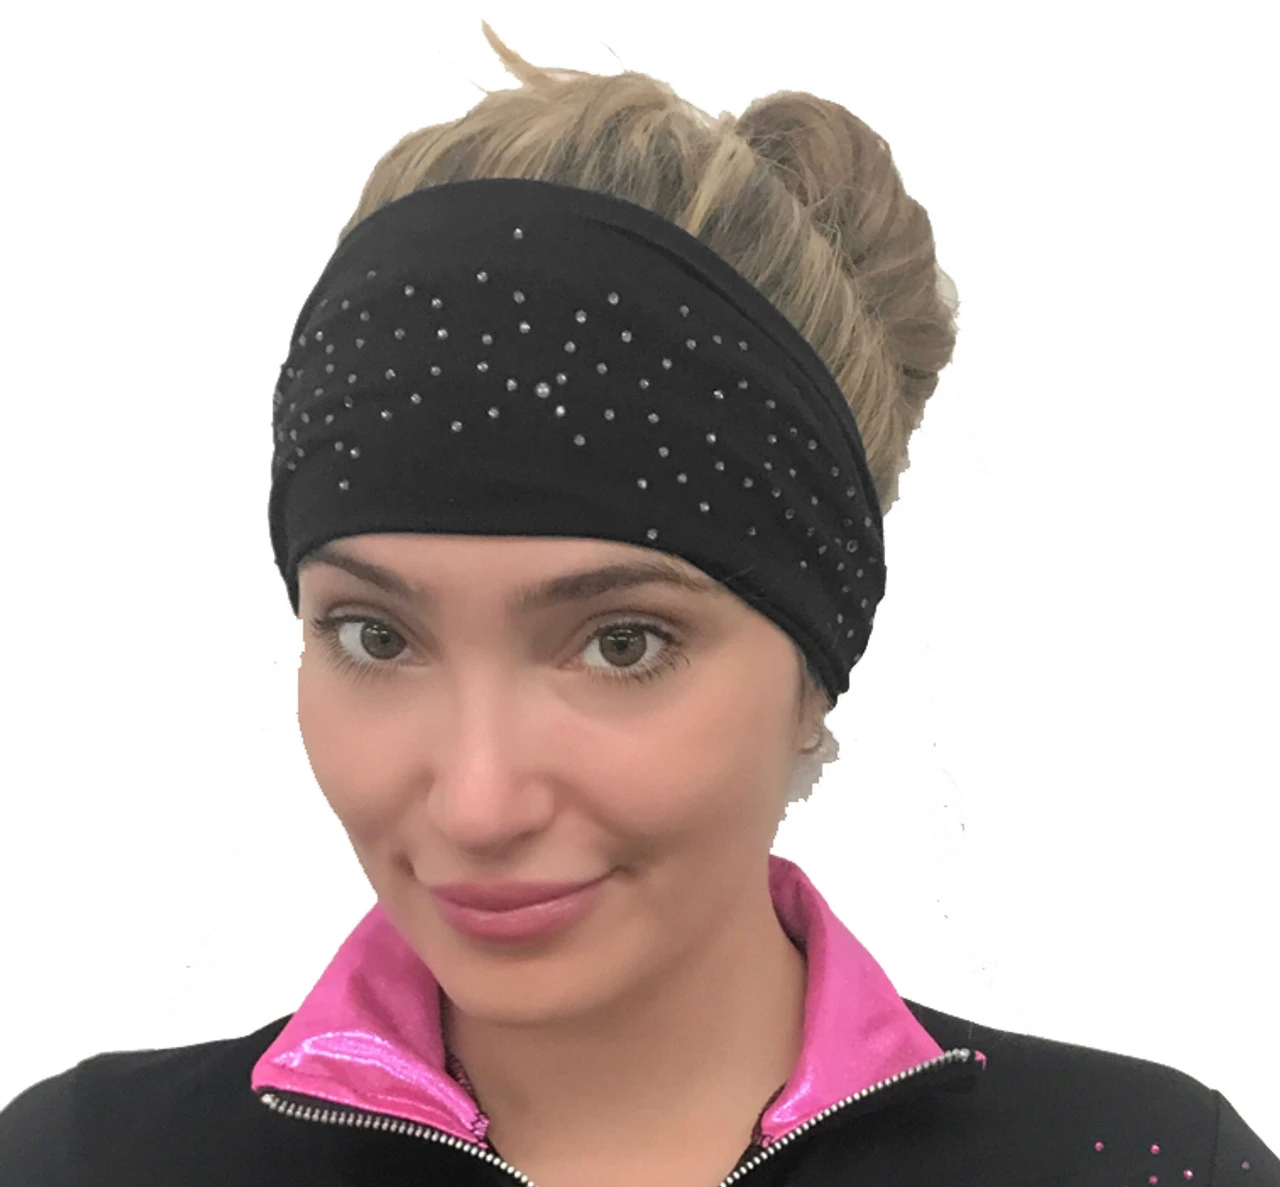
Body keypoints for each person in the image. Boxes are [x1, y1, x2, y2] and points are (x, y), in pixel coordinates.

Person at [1, 21, 1274, 1187]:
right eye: (375, 635)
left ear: (814, 670)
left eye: (620, 642)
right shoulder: (84, 1164)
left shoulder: (1145, 1167)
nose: (478, 802)